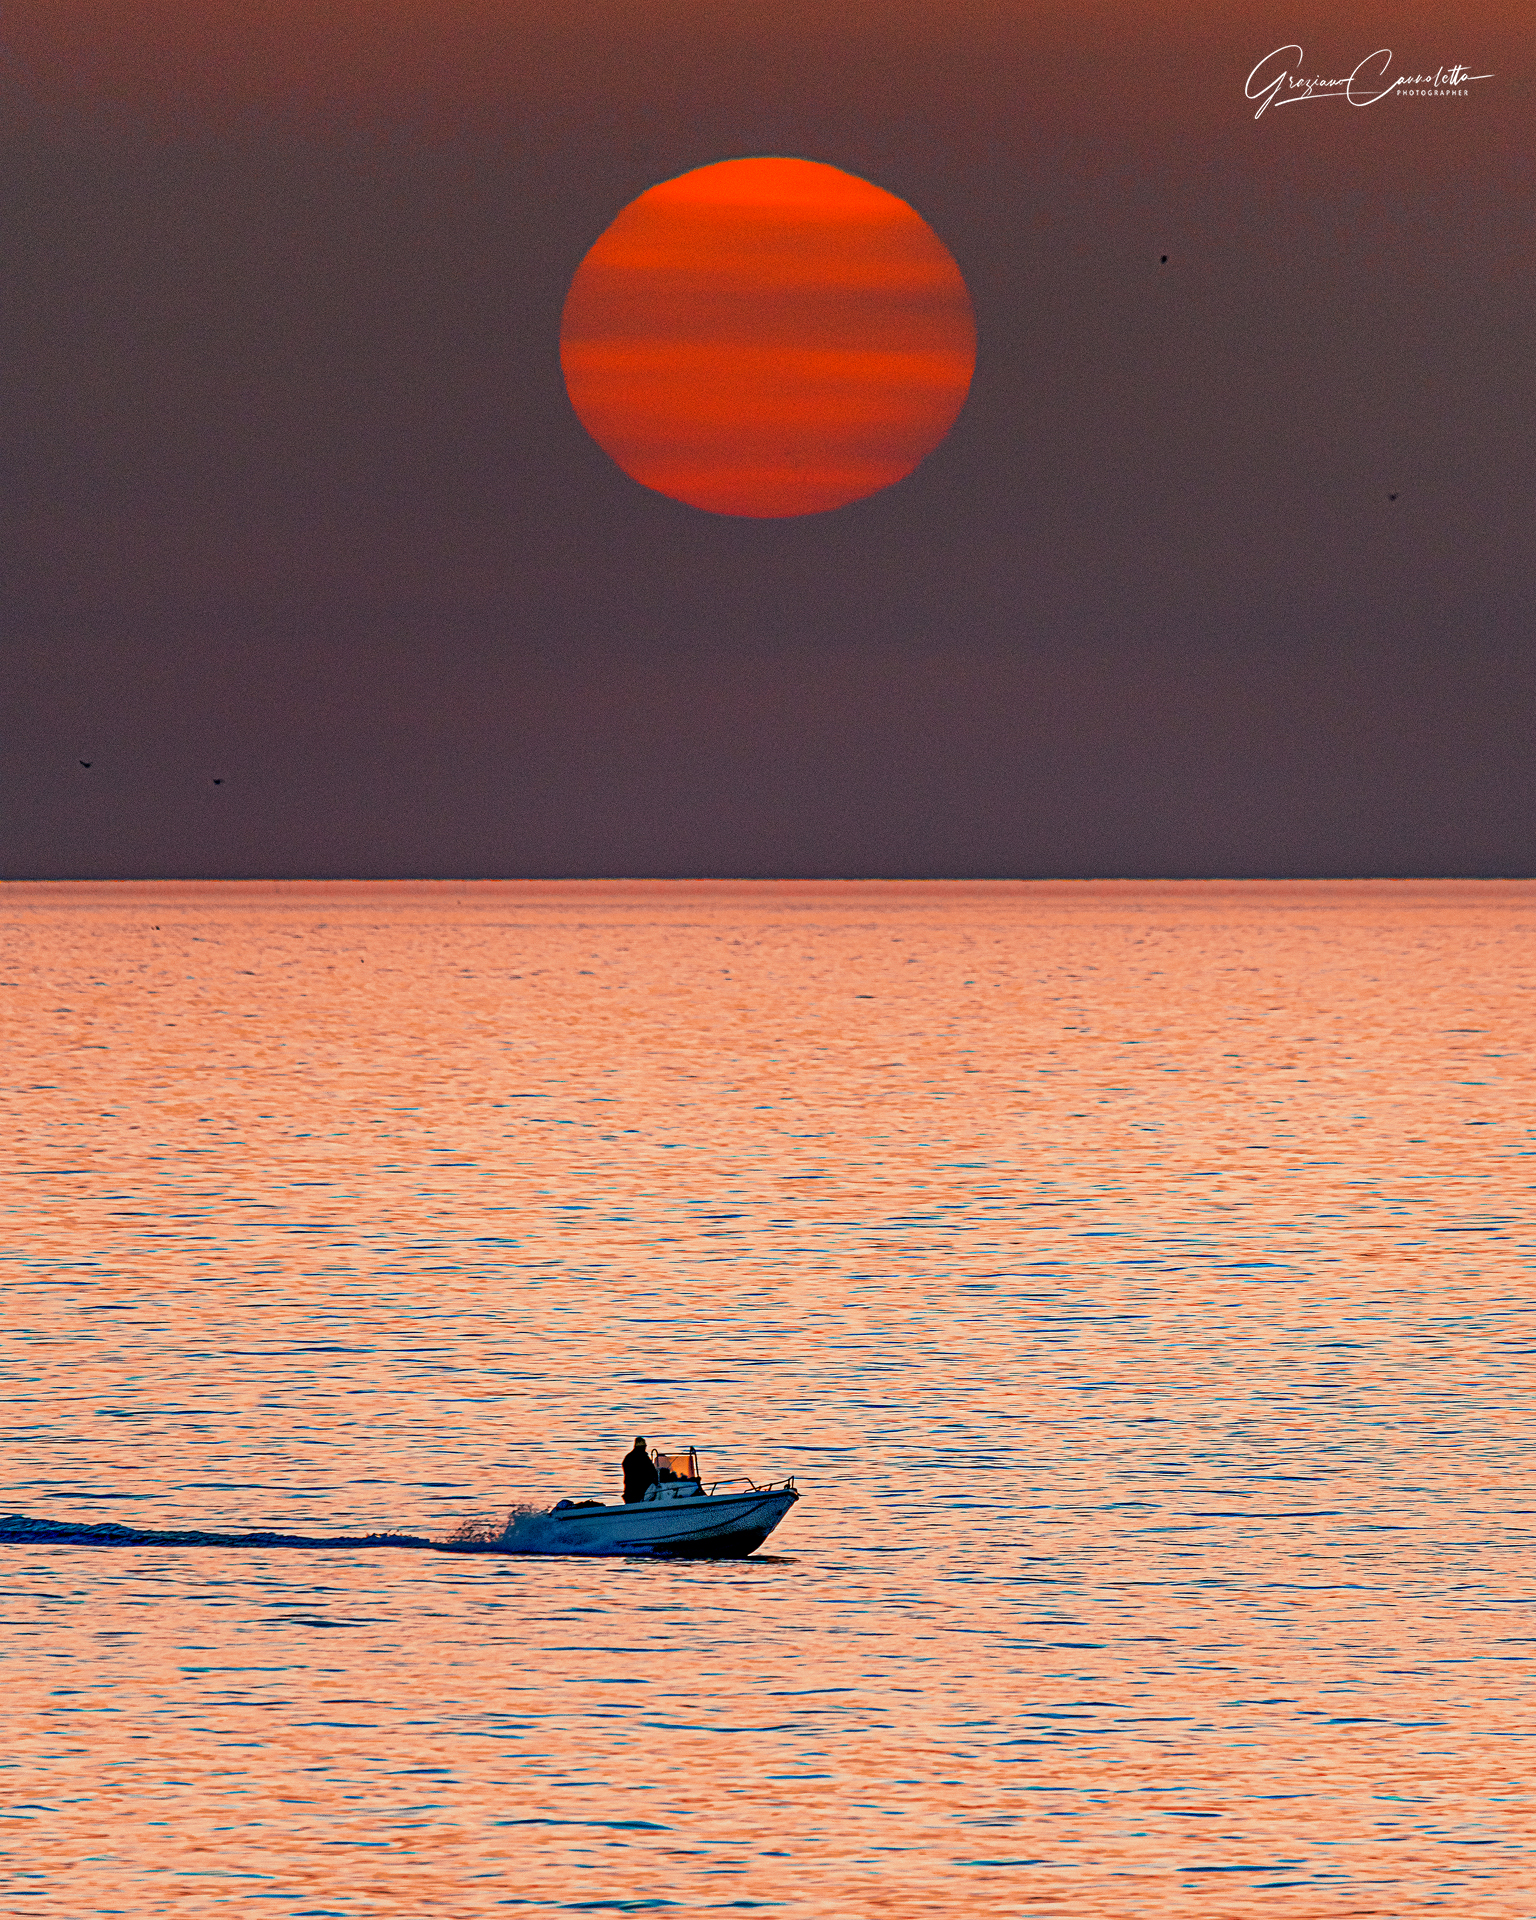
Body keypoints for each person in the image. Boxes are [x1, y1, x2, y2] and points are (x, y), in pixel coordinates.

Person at [622, 1435, 658, 1504]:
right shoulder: (643, 1458)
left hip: (629, 1492)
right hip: (641, 1492)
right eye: (644, 1447)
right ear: (643, 1447)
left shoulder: (628, 1458)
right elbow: (652, 1472)